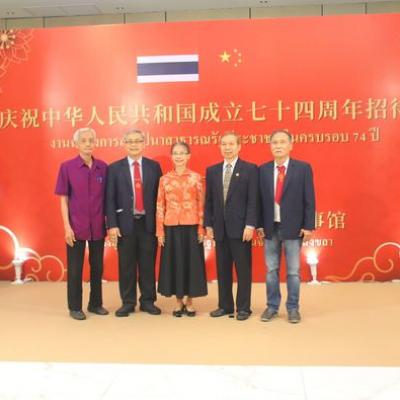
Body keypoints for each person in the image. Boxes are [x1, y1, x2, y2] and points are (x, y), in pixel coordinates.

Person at [258, 130, 316, 324]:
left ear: (291, 145)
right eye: (274, 142)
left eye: (282, 142)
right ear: (270, 146)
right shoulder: (263, 169)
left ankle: (293, 308)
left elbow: (309, 199)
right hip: (270, 227)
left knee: (293, 271)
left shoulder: (303, 168)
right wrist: (259, 224)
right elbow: (258, 200)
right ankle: (272, 306)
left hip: (293, 227)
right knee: (271, 270)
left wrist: (308, 226)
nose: (278, 146)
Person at [106, 129, 162, 317]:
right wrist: (112, 224)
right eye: (130, 141)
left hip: (148, 224)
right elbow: (109, 199)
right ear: (124, 144)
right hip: (124, 225)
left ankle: (148, 301)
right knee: (126, 266)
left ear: (144, 143)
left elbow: (160, 198)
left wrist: (160, 224)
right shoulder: (114, 168)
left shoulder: (154, 167)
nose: (134, 144)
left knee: (148, 265)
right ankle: (128, 302)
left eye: (137, 141)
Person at [55, 127, 109, 321]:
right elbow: (63, 199)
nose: (88, 144)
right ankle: (75, 307)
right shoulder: (67, 167)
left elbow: (108, 199)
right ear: (76, 144)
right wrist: (66, 227)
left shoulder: (103, 167)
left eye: (91, 140)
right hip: (76, 227)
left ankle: (95, 303)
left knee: (97, 268)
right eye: (84, 140)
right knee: (75, 269)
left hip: (98, 227)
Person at [204, 131, 258, 321]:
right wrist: (208, 224)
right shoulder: (212, 170)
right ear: (220, 147)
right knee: (223, 270)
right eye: (224, 144)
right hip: (220, 229)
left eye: (231, 144)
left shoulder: (250, 169)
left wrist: (250, 225)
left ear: (239, 146)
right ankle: (225, 306)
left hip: (241, 228)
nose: (227, 147)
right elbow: (209, 201)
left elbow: (253, 200)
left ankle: (243, 308)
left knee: (243, 270)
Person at [156, 142, 207, 317]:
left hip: (191, 226)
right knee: (175, 264)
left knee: (191, 264)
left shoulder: (196, 178)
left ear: (188, 156)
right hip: (171, 227)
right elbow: (160, 205)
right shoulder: (164, 179)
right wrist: (160, 231)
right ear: (172, 156)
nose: (178, 156)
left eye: (182, 153)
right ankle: (178, 301)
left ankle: (190, 301)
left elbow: (201, 204)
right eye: (175, 153)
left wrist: (201, 229)